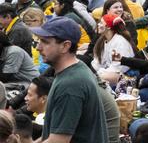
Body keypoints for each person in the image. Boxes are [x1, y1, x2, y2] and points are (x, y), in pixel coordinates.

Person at [34, 15, 108, 143]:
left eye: (45, 42)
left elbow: (58, 140)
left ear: (65, 46)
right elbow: (52, 134)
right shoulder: (73, 70)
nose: (38, 47)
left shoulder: (71, 83)